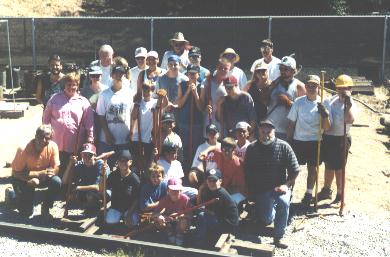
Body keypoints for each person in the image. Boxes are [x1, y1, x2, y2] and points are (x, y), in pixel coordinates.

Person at [244, 119, 300, 249]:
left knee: (284, 203)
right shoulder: (252, 148)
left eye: (269, 132)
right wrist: (250, 192)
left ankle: (278, 237)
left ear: (274, 132)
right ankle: (263, 210)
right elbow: (247, 172)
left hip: (280, 187)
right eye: (263, 132)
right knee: (267, 219)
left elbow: (295, 170)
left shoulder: (284, 146)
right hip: (261, 190)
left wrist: (286, 185)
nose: (266, 135)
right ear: (258, 132)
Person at [286, 75, 331, 208]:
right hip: (298, 141)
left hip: (315, 141)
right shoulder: (298, 102)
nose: (311, 88)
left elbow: (327, 128)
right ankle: (288, 192)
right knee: (293, 169)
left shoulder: (324, 102)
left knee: (313, 169)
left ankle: (309, 194)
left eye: (314, 85)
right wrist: (289, 141)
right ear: (305, 87)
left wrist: (325, 114)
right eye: (309, 85)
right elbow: (291, 123)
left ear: (319, 87)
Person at [43, 72, 94, 177]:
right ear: (64, 85)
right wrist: (45, 136)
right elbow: (46, 119)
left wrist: (90, 139)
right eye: (68, 84)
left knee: (72, 172)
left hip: (75, 144)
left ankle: (69, 191)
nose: (71, 87)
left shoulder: (83, 102)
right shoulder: (54, 98)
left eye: (74, 84)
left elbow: (89, 124)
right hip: (56, 143)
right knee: (56, 169)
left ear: (78, 85)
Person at [317, 74, 356, 204]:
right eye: (340, 88)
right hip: (329, 138)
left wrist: (348, 105)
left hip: (342, 138)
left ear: (351, 89)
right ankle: (326, 190)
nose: (343, 91)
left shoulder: (352, 104)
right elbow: (327, 127)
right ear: (336, 88)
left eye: (346, 88)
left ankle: (340, 194)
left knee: (340, 168)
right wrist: (324, 115)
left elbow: (348, 120)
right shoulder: (329, 101)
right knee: (329, 166)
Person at [11, 125, 61, 219]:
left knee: (56, 181)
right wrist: (37, 175)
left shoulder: (53, 146)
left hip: (41, 178)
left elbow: (56, 168)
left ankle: (46, 207)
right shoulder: (23, 149)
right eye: (40, 137)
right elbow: (16, 173)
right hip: (22, 179)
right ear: (35, 136)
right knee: (26, 213)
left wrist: (52, 172)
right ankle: (12, 195)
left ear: (51, 138)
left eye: (47, 138)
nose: (43, 140)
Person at [96, 64, 135, 167]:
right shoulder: (104, 94)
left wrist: (131, 132)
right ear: (112, 75)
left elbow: (133, 114)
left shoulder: (130, 93)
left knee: (123, 168)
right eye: (116, 73)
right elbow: (101, 115)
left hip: (124, 139)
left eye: (121, 73)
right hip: (107, 140)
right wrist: (107, 133)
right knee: (106, 168)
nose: (119, 75)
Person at [130, 81, 168, 177]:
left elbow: (165, 104)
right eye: (145, 89)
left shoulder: (155, 102)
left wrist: (163, 96)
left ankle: (147, 179)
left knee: (148, 162)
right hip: (137, 137)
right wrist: (136, 104)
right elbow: (134, 116)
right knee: (136, 161)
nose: (147, 91)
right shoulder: (138, 101)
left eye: (150, 89)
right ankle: (136, 179)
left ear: (153, 90)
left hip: (148, 137)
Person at [195, 169, 239, 248]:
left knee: (202, 215)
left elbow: (213, 213)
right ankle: (204, 237)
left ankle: (200, 243)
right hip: (219, 218)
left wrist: (202, 209)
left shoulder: (221, 193)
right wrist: (200, 189)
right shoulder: (208, 191)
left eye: (214, 181)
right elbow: (199, 204)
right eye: (209, 180)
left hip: (228, 224)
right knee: (200, 213)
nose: (211, 183)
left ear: (220, 181)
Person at [267, 56, 306, 140]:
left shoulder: (299, 86)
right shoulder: (275, 83)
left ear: (293, 70)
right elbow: (265, 101)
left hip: (286, 132)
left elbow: (303, 110)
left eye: (285, 69)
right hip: (270, 129)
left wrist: (288, 102)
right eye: (281, 69)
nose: (282, 71)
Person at [199, 137, 246, 204]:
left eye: (229, 150)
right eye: (224, 149)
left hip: (237, 192)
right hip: (221, 187)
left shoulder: (237, 165)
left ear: (234, 150)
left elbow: (238, 187)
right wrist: (205, 151)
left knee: (228, 202)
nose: (226, 152)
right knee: (204, 190)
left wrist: (219, 192)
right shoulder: (219, 154)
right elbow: (215, 147)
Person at [175, 64, 204, 171]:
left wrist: (195, 93)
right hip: (184, 121)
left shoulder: (202, 86)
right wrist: (188, 91)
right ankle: (184, 170)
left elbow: (201, 107)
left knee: (196, 147)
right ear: (187, 74)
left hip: (197, 122)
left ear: (198, 74)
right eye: (190, 73)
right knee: (184, 148)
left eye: (194, 73)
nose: (191, 75)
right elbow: (179, 104)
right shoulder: (182, 85)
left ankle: (194, 170)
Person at [69, 143, 110, 212]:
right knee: (72, 196)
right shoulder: (80, 164)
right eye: (85, 155)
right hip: (89, 189)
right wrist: (70, 164)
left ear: (95, 156)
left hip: (104, 191)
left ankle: (96, 207)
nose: (87, 158)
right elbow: (64, 180)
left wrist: (78, 188)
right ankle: (88, 205)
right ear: (81, 155)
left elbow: (98, 187)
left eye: (90, 155)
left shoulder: (101, 164)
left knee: (90, 195)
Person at [105, 150, 140, 227]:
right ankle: (118, 216)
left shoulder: (134, 178)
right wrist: (102, 173)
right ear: (117, 162)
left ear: (130, 162)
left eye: (126, 160)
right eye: (121, 160)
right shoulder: (113, 175)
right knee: (110, 221)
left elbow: (137, 199)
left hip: (129, 208)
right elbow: (102, 189)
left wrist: (130, 214)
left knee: (133, 223)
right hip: (116, 207)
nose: (123, 162)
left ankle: (126, 216)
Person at [153, 178, 192, 246]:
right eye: (172, 190)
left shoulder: (186, 199)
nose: (174, 192)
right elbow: (155, 213)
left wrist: (180, 216)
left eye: (177, 190)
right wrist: (159, 216)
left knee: (184, 222)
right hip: (169, 220)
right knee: (158, 221)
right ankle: (169, 232)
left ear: (181, 190)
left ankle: (179, 234)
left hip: (180, 220)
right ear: (168, 190)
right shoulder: (165, 199)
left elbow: (190, 215)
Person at [199, 58, 230, 135]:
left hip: (225, 125)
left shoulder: (231, 83)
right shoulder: (207, 81)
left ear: (229, 69)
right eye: (220, 68)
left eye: (225, 68)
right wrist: (204, 109)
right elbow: (201, 103)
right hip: (210, 122)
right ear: (216, 67)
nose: (223, 70)